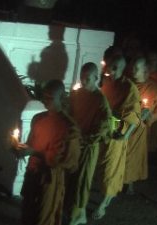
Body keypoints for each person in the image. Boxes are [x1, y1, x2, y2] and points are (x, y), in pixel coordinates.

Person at [13, 79, 81, 225]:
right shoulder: (38, 118)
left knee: (43, 218)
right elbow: (31, 144)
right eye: (44, 96)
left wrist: (34, 152)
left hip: (50, 179)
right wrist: (19, 148)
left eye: (50, 97)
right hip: (32, 173)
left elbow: (67, 161)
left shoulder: (69, 127)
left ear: (61, 98)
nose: (45, 100)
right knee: (27, 213)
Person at [92, 54, 141, 220]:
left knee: (110, 171)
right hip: (102, 132)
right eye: (109, 67)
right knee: (98, 167)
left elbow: (134, 116)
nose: (110, 71)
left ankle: (103, 205)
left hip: (117, 134)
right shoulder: (105, 82)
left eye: (115, 68)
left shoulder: (129, 88)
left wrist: (125, 136)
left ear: (122, 69)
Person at [66, 63, 112, 225]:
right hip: (74, 144)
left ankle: (78, 215)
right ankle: (71, 212)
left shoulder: (100, 99)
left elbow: (105, 123)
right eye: (82, 76)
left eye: (88, 78)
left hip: (88, 147)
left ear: (95, 78)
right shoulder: (76, 95)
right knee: (70, 177)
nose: (84, 81)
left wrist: (88, 139)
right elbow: (68, 115)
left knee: (82, 181)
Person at [124, 56, 157, 194]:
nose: (133, 71)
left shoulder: (155, 90)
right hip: (125, 125)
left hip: (139, 131)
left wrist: (148, 115)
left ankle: (129, 182)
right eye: (133, 67)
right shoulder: (127, 85)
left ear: (145, 71)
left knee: (133, 157)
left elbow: (155, 115)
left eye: (137, 68)